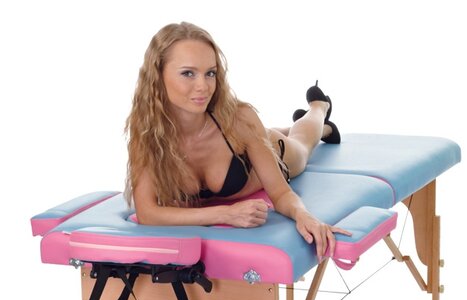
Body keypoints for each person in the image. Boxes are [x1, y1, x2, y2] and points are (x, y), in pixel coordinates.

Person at [124, 22, 350, 259]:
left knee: (302, 145)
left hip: (271, 151)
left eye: (210, 73)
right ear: (158, 75)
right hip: (245, 139)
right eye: (188, 73)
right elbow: (147, 213)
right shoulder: (148, 134)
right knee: (268, 134)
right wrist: (225, 214)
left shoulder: (240, 119)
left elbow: (281, 194)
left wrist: (304, 215)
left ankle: (319, 110)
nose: (203, 86)